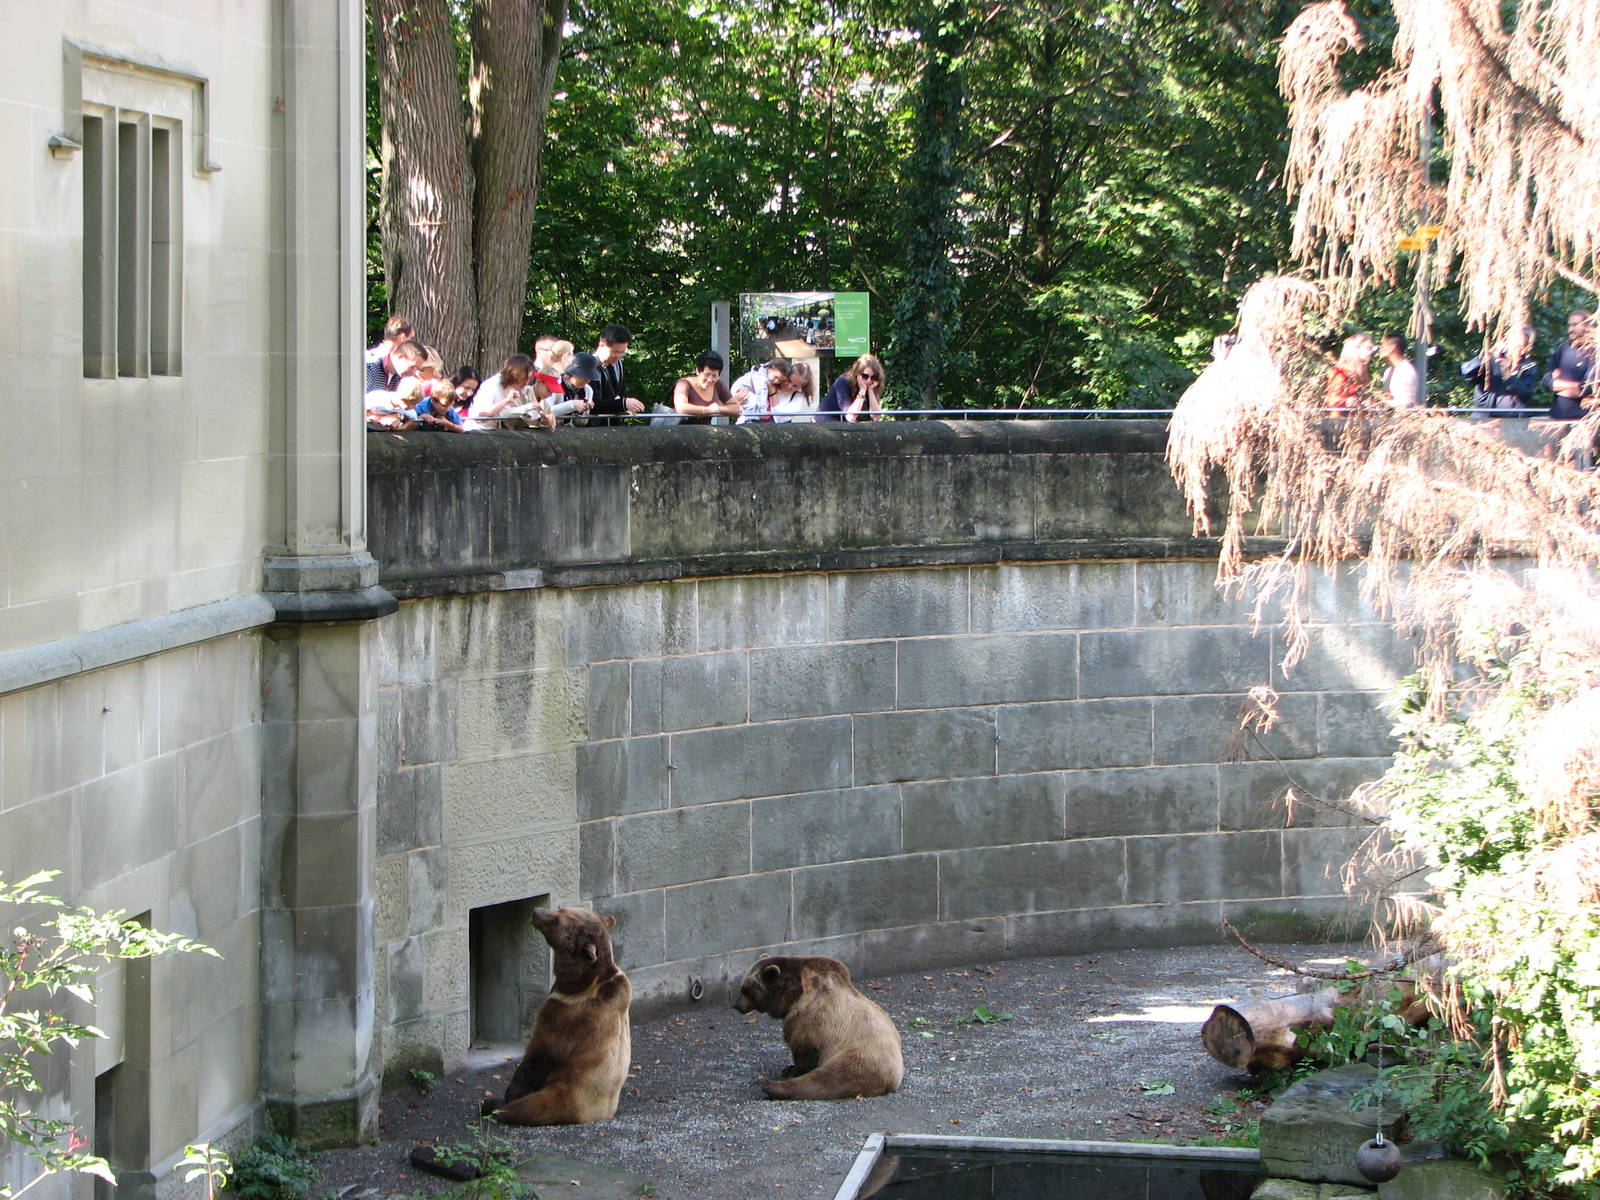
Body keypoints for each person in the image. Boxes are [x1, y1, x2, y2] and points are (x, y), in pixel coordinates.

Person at [1462, 326, 1538, 415]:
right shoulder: (1492, 359)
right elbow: (1466, 371)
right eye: (1511, 343)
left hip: (1513, 422)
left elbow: (1526, 395)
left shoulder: (1529, 366)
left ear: (1525, 348)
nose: (1513, 348)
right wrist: (1490, 353)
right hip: (1485, 418)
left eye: (1518, 346)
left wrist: (1509, 376)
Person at [1545, 310, 1596, 420]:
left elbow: (1589, 388)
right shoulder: (1561, 350)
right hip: (1557, 417)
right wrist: (1575, 386)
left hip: (1583, 419)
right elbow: (1546, 381)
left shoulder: (1594, 352)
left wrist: (1557, 387)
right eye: (1569, 325)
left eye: (1575, 325)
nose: (1571, 329)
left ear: (1587, 326)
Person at [590, 325, 646, 424]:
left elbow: (620, 391)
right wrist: (623, 404)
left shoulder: (618, 364)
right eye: (615, 352)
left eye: (622, 352)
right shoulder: (589, 366)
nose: (619, 356)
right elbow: (593, 404)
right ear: (601, 345)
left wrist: (627, 407)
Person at [466, 354, 536, 430]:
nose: (526, 383)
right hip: (476, 432)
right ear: (517, 375)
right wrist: (506, 401)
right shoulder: (491, 386)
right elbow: (481, 418)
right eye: (525, 379)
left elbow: (505, 413)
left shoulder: (511, 389)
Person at [671, 351, 739, 424]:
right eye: (707, 374)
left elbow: (737, 408)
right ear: (697, 371)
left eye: (714, 376)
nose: (710, 380)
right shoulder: (684, 383)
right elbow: (681, 408)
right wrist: (708, 410)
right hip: (679, 430)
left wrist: (718, 409)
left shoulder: (718, 384)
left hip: (705, 431)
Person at [819, 354, 885, 422]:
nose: (869, 380)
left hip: (843, 424)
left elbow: (876, 416)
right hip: (824, 422)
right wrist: (862, 391)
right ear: (857, 374)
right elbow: (850, 417)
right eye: (865, 376)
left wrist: (871, 391)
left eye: (873, 377)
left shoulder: (872, 385)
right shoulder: (843, 382)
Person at [364, 316, 414, 392]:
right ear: (403, 338)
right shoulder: (369, 364)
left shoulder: (399, 372)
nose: (413, 346)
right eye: (411, 339)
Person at [731, 359, 790, 423]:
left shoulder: (762, 373)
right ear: (771, 368)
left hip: (747, 390)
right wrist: (763, 411)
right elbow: (761, 394)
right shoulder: (761, 378)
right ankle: (749, 419)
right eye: (776, 377)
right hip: (742, 390)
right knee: (752, 403)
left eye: (779, 381)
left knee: (752, 403)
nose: (776, 381)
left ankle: (751, 418)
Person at [1326, 334, 1374, 410]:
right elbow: (1332, 401)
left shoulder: (1362, 372)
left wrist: (1369, 402)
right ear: (1356, 349)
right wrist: (1346, 401)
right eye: (1368, 348)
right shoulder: (1340, 374)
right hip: (1339, 419)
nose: (1371, 351)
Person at [1379, 334, 1421, 409]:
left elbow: (1406, 403)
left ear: (1392, 347)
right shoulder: (1388, 371)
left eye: (1382, 346)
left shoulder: (1405, 371)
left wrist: (1380, 403)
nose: (1380, 349)